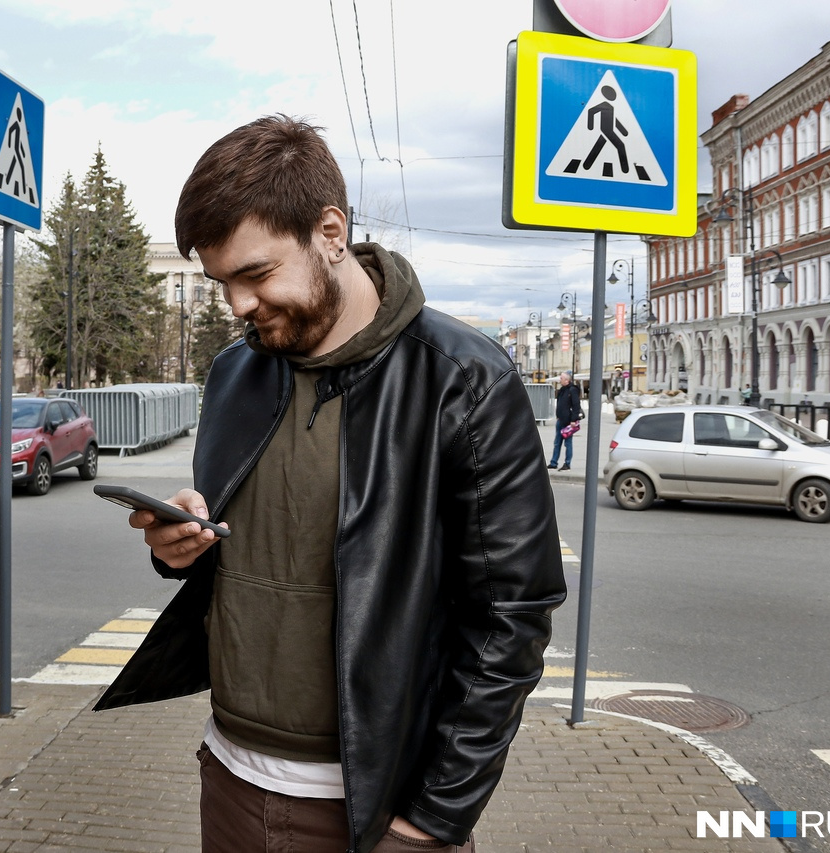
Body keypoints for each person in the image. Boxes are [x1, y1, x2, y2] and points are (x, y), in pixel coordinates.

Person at [97, 115, 566, 853]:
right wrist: (179, 543)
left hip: (378, 808)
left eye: (256, 275)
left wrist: (435, 818)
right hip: (230, 781)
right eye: (223, 284)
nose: (239, 306)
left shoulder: (462, 379)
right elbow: (252, 544)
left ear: (330, 232)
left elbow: (513, 614)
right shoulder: (233, 373)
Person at [547, 371, 583, 472]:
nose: (560, 380)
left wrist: (573, 420)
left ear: (567, 380)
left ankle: (567, 463)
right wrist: (558, 416)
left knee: (568, 443)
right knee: (557, 442)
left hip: (568, 421)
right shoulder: (562, 390)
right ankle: (554, 462)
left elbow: (576, 406)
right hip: (560, 420)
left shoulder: (572, 390)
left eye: (561, 378)